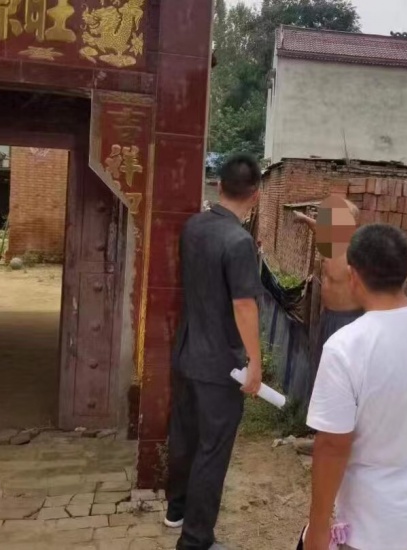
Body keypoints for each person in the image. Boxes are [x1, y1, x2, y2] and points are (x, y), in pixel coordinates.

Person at [304, 223, 407, 550]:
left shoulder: (345, 347)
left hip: (372, 530)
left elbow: (332, 445)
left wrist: (319, 525)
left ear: (353, 275)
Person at [167, 153, 264, 550]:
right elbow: (244, 306)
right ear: (256, 195)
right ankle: (196, 539)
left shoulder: (193, 226)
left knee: (185, 438)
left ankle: (176, 509)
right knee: (212, 450)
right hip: (220, 366)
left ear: (219, 186)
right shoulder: (239, 242)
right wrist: (255, 363)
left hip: (186, 352)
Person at [293, 196, 362, 395]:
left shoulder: (357, 253)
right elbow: (318, 228)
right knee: (322, 370)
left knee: (339, 376)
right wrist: (304, 219)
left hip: (347, 321)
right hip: (328, 317)